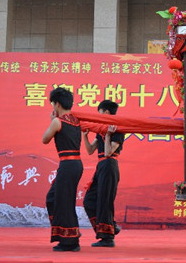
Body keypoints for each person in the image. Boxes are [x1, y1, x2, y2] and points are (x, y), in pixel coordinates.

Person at [42, 87, 83, 252]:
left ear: (57, 104)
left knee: (63, 201)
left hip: (68, 165)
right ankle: (64, 235)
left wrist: (52, 120)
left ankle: (70, 241)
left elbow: (45, 139)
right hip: (74, 165)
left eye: (53, 103)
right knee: (53, 198)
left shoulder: (58, 121)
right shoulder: (76, 121)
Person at [83, 100, 125, 247]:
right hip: (101, 166)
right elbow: (89, 150)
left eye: (99, 112)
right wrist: (85, 135)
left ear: (106, 112)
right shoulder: (101, 129)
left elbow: (108, 153)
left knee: (104, 201)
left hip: (109, 164)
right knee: (89, 200)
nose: (98, 115)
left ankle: (107, 238)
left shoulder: (118, 130)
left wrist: (107, 136)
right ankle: (110, 227)